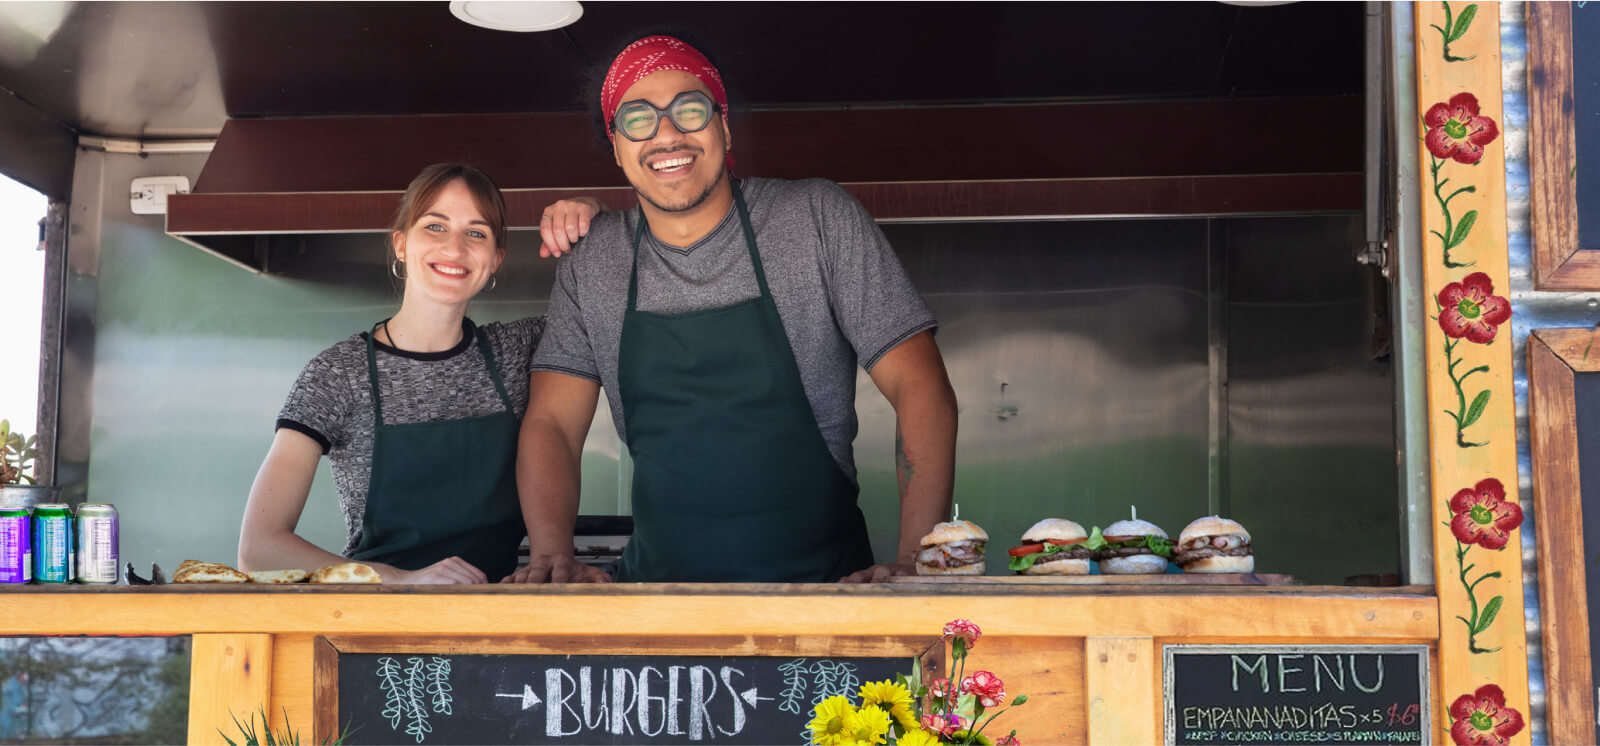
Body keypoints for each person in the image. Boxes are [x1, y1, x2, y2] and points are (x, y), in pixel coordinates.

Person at [510, 36, 958, 584]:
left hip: (824, 598)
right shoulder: (593, 261)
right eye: (638, 119)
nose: (667, 134)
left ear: (724, 127)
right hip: (658, 605)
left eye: (690, 110)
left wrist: (918, 560)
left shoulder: (815, 219)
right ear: (616, 146)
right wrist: (551, 553)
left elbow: (921, 386)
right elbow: (552, 422)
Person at [239, 163, 598, 583]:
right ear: (401, 244)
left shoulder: (517, 351)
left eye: (476, 233)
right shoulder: (338, 373)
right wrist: (399, 580)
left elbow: (601, 302)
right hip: (378, 628)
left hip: (497, 614)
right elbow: (258, 549)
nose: (455, 248)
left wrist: (590, 209)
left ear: (496, 259)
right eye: (435, 227)